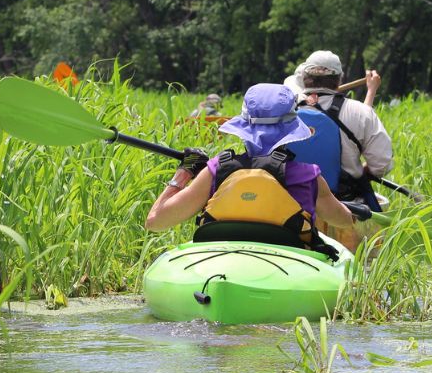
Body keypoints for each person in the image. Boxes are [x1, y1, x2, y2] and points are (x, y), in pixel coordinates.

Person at [145, 84, 370, 258]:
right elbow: (341, 221)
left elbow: (156, 222)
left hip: (220, 262)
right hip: (289, 265)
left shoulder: (216, 170)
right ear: (291, 130)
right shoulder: (308, 176)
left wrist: (184, 171)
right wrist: (351, 214)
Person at [283, 50, 393, 212]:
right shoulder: (360, 112)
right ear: (339, 78)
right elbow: (382, 164)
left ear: (304, 78)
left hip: (291, 203)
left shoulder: (283, 112)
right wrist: (359, 172)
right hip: (345, 204)